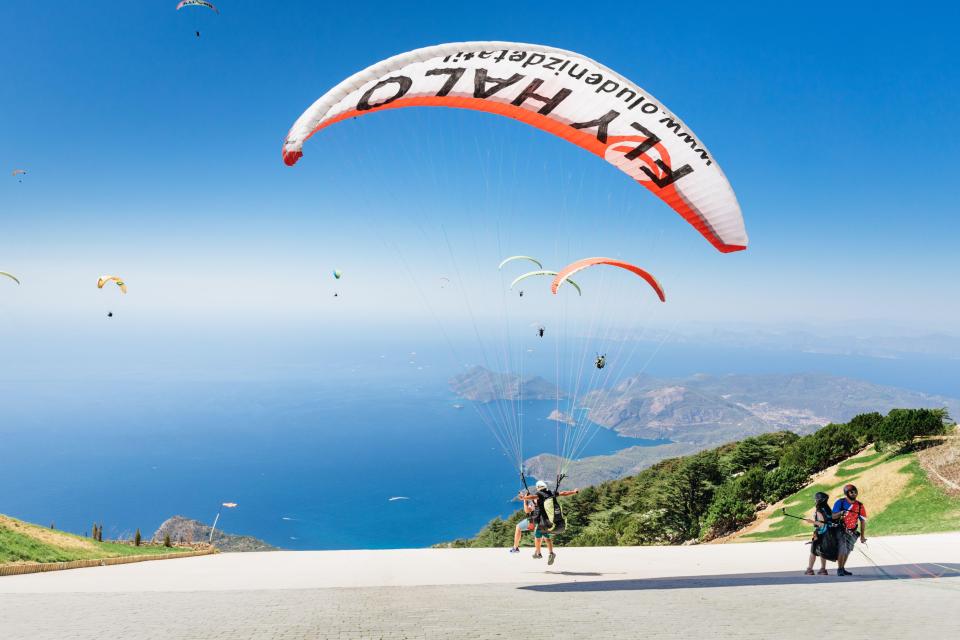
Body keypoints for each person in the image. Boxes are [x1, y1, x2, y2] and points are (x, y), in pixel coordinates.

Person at [518, 480, 579, 566]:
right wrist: (574, 491)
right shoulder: (551, 493)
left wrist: (524, 498)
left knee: (537, 534)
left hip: (543, 521)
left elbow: (533, 497)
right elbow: (563, 493)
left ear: (538, 488)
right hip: (552, 520)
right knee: (545, 536)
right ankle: (550, 553)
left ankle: (538, 553)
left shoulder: (539, 494)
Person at [832, 484, 867, 576]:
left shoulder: (859, 505)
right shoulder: (840, 502)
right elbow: (832, 516)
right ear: (846, 493)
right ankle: (839, 569)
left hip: (852, 531)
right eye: (851, 492)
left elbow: (863, 521)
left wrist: (862, 536)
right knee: (842, 548)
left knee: (847, 550)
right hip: (840, 530)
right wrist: (840, 513)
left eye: (855, 492)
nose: (854, 493)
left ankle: (842, 568)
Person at [805, 492, 835, 575]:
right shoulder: (827, 508)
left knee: (813, 551)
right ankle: (823, 569)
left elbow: (822, 523)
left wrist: (811, 521)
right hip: (828, 533)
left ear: (819, 500)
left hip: (820, 533)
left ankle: (810, 569)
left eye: (815, 499)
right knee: (822, 551)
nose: (815, 500)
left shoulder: (819, 509)